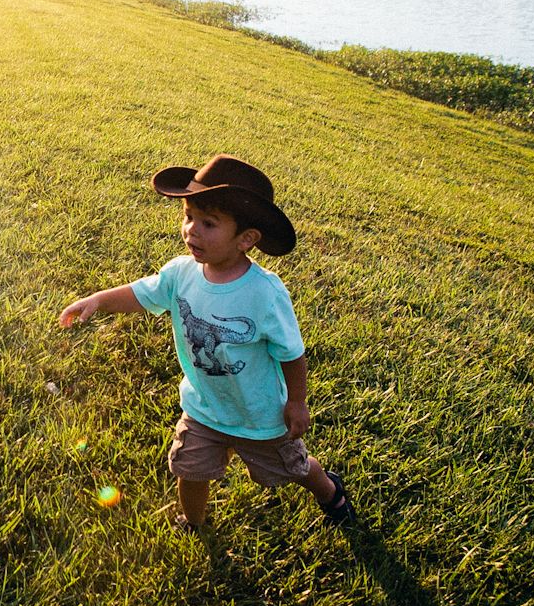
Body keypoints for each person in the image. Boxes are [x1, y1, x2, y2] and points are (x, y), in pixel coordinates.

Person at [59, 155, 356, 536]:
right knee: (189, 467)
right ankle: (193, 523)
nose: (191, 231)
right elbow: (142, 293)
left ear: (246, 239)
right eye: (188, 217)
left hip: (261, 416)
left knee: (292, 468)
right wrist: (99, 300)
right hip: (205, 407)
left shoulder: (264, 293)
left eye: (209, 224)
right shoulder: (181, 273)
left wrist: (297, 401)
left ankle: (330, 492)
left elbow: (292, 354)